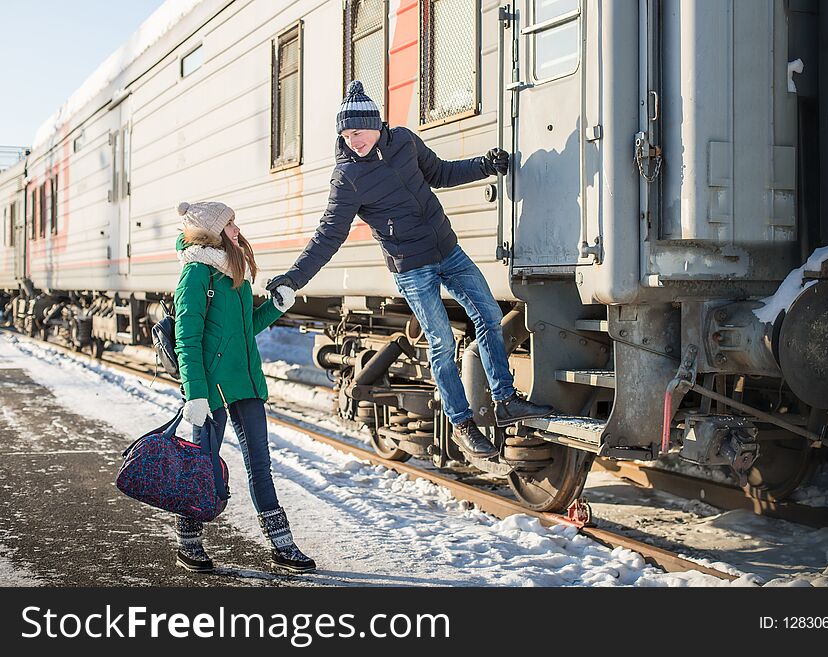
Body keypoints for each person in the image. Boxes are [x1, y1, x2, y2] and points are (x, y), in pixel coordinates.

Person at [266, 80, 553, 464]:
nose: (355, 141)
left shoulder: (403, 141)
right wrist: (293, 278)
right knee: (441, 343)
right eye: (347, 135)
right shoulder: (347, 178)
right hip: (412, 267)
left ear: (377, 124)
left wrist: (483, 166)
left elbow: (440, 173)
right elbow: (328, 236)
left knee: (488, 315)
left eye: (359, 132)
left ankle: (505, 400)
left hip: (447, 249)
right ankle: (462, 423)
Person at [173, 200, 315, 574]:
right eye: (231, 224)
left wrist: (276, 306)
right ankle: (188, 541)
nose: (237, 230)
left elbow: (245, 328)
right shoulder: (196, 275)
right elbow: (187, 339)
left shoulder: (232, 273)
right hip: (212, 390)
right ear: (213, 231)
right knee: (201, 467)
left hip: (247, 383)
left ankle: (282, 545)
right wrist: (195, 393)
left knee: (260, 465)